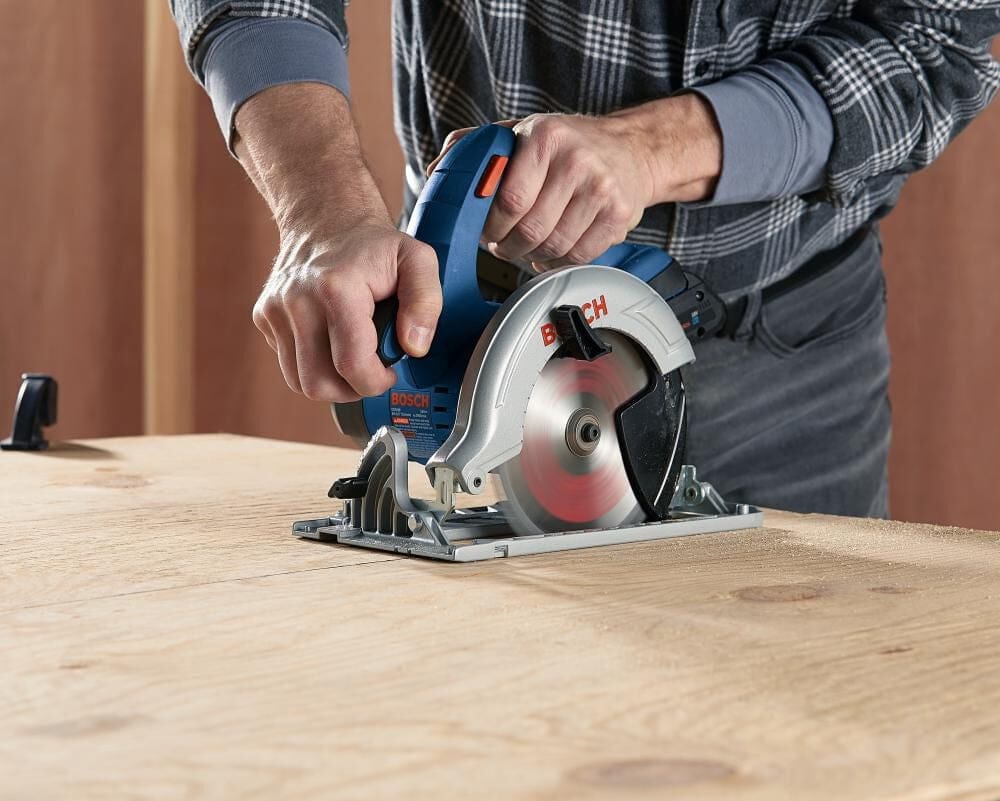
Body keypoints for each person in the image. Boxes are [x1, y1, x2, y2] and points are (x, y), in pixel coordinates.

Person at [171, 1, 999, 516]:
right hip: (477, 325)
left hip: (782, 334)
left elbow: (939, 37)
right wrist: (325, 207)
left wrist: (658, 146)